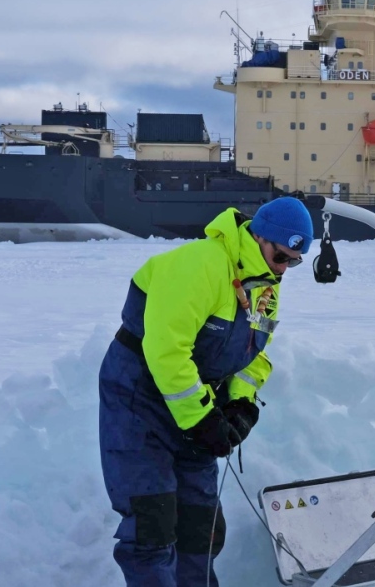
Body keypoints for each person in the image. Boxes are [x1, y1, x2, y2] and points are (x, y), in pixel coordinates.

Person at [99, 199, 312, 586]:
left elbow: (252, 354)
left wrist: (239, 405)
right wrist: (201, 417)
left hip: (196, 403)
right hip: (140, 399)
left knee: (201, 525)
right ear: (259, 236)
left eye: (293, 262)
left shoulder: (265, 286)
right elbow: (166, 350)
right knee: (152, 522)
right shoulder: (200, 264)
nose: (284, 269)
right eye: (281, 256)